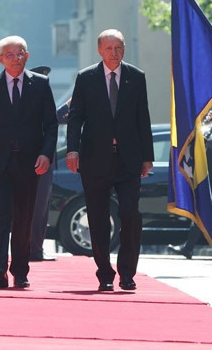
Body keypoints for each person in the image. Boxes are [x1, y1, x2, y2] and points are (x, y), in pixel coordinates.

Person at [0, 36, 58, 289]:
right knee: (0, 215)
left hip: (29, 163)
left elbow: (51, 125)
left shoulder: (40, 84)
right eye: (10, 55)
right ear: (1, 59)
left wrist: (46, 154)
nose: (15, 59)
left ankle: (20, 270)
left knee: (23, 218)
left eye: (20, 54)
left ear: (27, 56)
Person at [66, 29, 154, 292]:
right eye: (109, 48)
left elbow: (143, 117)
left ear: (124, 49)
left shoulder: (136, 77)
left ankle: (127, 273)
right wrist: (72, 150)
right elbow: (76, 117)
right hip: (95, 159)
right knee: (98, 218)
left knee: (130, 214)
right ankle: (104, 273)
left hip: (128, 159)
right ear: (99, 50)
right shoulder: (86, 78)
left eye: (118, 48)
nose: (114, 53)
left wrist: (147, 157)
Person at [27, 65, 60, 262]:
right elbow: (49, 122)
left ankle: (36, 247)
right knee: (36, 207)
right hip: (36, 160)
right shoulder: (30, 101)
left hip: (45, 162)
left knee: (42, 207)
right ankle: (33, 248)